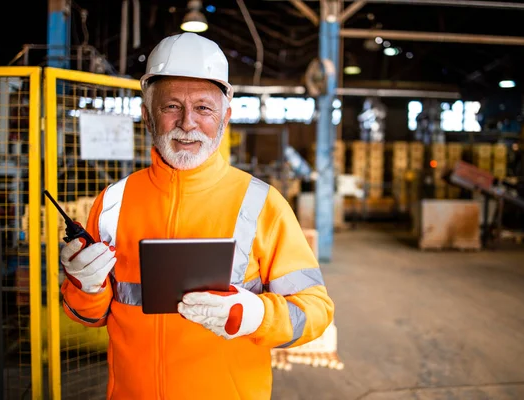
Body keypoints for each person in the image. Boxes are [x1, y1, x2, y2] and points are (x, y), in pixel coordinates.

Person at [59, 32, 334, 399]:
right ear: (146, 115)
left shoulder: (262, 203)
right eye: (171, 106)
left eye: (204, 108)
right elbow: (88, 316)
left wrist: (255, 316)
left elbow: (315, 311)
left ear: (226, 117)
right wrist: (84, 285)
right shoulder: (113, 202)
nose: (187, 123)